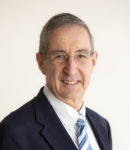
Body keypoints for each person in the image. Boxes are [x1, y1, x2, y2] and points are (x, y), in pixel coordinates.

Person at [0, 13, 112, 150]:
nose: (71, 70)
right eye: (60, 56)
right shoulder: (14, 132)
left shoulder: (102, 127)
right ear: (41, 63)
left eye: (81, 56)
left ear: (93, 62)